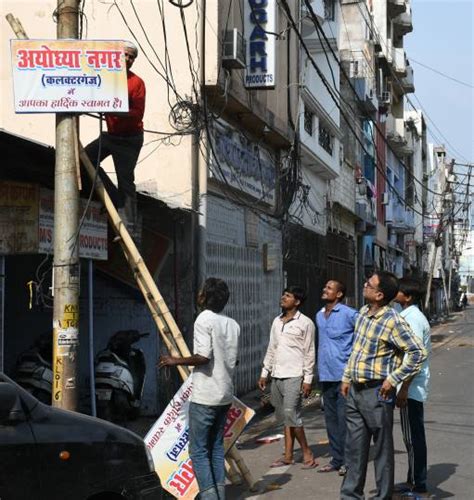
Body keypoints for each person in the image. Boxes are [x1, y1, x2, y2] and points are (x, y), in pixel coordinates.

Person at [340, 271, 426, 500]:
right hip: (355, 392)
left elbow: (417, 353)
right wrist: (347, 377)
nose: (364, 284)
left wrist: (394, 379)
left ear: (379, 294)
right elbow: (355, 350)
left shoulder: (393, 320)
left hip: (377, 392)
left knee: (382, 451)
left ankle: (382, 497)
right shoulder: (362, 314)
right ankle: (350, 496)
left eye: (369, 284)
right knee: (355, 450)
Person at [158, 278, 240, 500]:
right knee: (215, 449)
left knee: (199, 452)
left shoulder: (204, 319)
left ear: (205, 296)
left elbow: (203, 356)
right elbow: (232, 360)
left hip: (206, 395)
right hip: (225, 394)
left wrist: (174, 361)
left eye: (202, 291)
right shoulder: (232, 324)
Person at [85, 41, 146, 235]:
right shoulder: (106, 78)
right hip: (111, 136)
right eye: (125, 55)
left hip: (129, 139)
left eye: (131, 57)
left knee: (126, 180)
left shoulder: (137, 83)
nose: (128, 59)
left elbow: (137, 113)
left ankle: (129, 226)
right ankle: (113, 197)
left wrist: (113, 110)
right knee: (86, 157)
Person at [258, 286, 318, 469]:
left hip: (295, 375)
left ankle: (307, 452)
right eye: (283, 294)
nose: (283, 298)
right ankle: (288, 455)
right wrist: (264, 373)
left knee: (292, 414)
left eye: (288, 296)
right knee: (284, 416)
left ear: (297, 302)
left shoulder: (306, 323)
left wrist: (308, 379)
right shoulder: (277, 321)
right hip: (277, 375)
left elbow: (309, 352)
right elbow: (272, 348)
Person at [394, 278, 431, 497]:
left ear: (406, 297)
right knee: (411, 436)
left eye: (398, 291)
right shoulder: (408, 316)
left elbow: (415, 358)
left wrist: (404, 389)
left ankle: (419, 484)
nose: (395, 294)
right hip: (410, 386)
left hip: (412, 387)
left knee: (413, 437)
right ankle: (413, 479)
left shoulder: (413, 319)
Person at [315, 280, 357, 476]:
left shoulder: (349, 314)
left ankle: (348, 461)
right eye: (325, 287)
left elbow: (362, 338)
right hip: (325, 375)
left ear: (339, 294)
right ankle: (336, 459)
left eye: (329, 288)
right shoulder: (319, 315)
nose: (325, 289)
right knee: (331, 421)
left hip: (344, 377)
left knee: (344, 420)